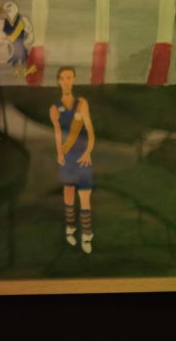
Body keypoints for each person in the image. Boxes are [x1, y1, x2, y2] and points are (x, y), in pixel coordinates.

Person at [49, 66, 96, 254]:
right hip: (67, 158)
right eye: (63, 78)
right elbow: (58, 133)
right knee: (68, 195)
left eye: (70, 77)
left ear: (74, 79)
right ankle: (70, 228)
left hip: (83, 158)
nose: (67, 81)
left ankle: (86, 235)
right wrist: (60, 153)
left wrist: (88, 151)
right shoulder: (54, 108)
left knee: (85, 197)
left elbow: (91, 132)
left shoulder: (82, 104)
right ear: (59, 81)